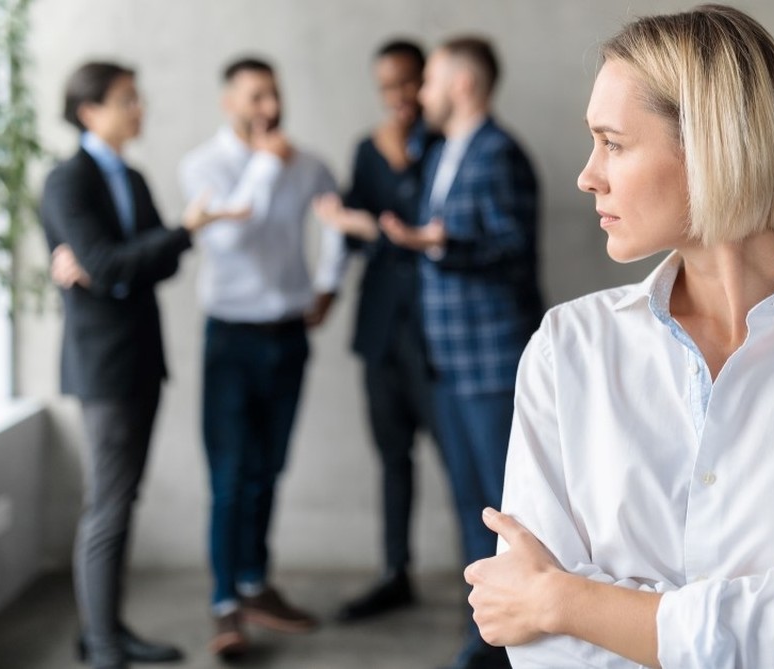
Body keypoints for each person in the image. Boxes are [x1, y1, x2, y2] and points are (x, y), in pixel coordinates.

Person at [462, 6, 774, 669]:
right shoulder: (566, 347)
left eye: (613, 142)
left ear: (711, 145)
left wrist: (567, 600)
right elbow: (548, 655)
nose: (587, 175)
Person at [41, 61, 243, 669]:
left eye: (138, 98)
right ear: (89, 111)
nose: (139, 109)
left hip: (140, 360)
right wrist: (166, 238)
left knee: (122, 499)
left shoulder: (130, 175)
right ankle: (101, 645)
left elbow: (154, 264)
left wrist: (124, 261)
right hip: (103, 365)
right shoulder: (66, 181)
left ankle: (106, 629)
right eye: (127, 100)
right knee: (107, 503)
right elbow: (113, 263)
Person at [379, 36, 542, 669]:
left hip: (491, 361)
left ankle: (511, 641)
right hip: (444, 362)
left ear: (463, 85)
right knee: (471, 507)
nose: (419, 94)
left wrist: (441, 243)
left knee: (507, 514)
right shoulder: (446, 149)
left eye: (430, 82)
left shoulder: (501, 154)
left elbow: (512, 249)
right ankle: (489, 635)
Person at [178, 56, 346, 659]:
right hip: (231, 338)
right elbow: (226, 239)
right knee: (230, 475)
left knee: (269, 468)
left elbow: (337, 223)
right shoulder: (203, 167)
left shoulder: (308, 164)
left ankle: (254, 583)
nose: (268, 109)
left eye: (273, 96)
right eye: (255, 97)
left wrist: (328, 286)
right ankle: (225, 601)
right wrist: (265, 170)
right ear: (229, 102)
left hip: (288, 337)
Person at [312, 38, 442, 623]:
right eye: (387, 87)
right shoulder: (367, 148)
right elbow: (348, 226)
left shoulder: (446, 143)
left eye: (408, 83)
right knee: (392, 459)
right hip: (382, 329)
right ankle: (395, 572)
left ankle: (487, 587)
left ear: (427, 80)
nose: (399, 97)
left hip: (440, 332)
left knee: (467, 464)